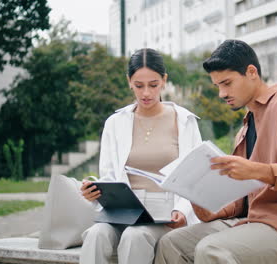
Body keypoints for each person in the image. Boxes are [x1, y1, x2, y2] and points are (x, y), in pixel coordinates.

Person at [155, 39, 277, 264]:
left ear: (251, 72)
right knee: (170, 243)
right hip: (252, 222)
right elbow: (244, 199)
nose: (221, 93)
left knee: (211, 249)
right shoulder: (246, 127)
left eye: (227, 83)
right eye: (218, 85)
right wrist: (198, 199)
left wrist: (257, 170)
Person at [79, 48, 202, 264]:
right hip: (124, 211)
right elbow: (108, 176)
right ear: (129, 81)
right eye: (139, 86)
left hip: (166, 215)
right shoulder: (115, 123)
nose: (146, 93)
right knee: (95, 234)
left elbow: (197, 177)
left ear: (164, 80)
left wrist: (182, 211)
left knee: (135, 236)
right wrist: (96, 192)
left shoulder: (185, 122)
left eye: (153, 85)